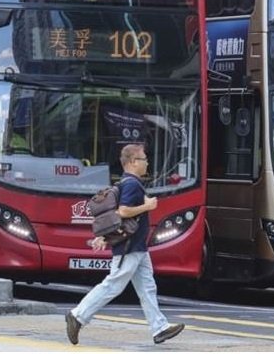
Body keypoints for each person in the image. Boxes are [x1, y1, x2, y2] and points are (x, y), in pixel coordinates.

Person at [65, 144, 185, 345]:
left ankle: (159, 328)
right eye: (144, 159)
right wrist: (147, 206)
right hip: (129, 246)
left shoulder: (132, 183)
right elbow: (123, 211)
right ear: (132, 162)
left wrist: (104, 236)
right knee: (113, 284)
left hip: (138, 246)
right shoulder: (131, 184)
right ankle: (78, 315)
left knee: (147, 287)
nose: (147, 163)